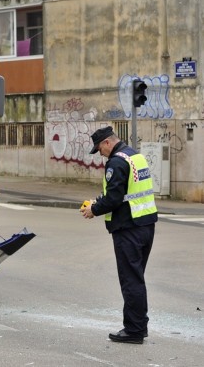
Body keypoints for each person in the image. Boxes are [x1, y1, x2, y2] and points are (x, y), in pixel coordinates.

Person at [80, 126, 157, 344]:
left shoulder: (116, 162)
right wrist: (99, 201)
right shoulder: (135, 156)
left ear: (106, 143)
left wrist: (93, 210)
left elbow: (114, 199)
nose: (100, 154)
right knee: (136, 278)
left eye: (99, 149)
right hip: (146, 224)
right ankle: (139, 326)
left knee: (130, 280)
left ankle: (134, 330)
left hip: (128, 228)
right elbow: (126, 193)